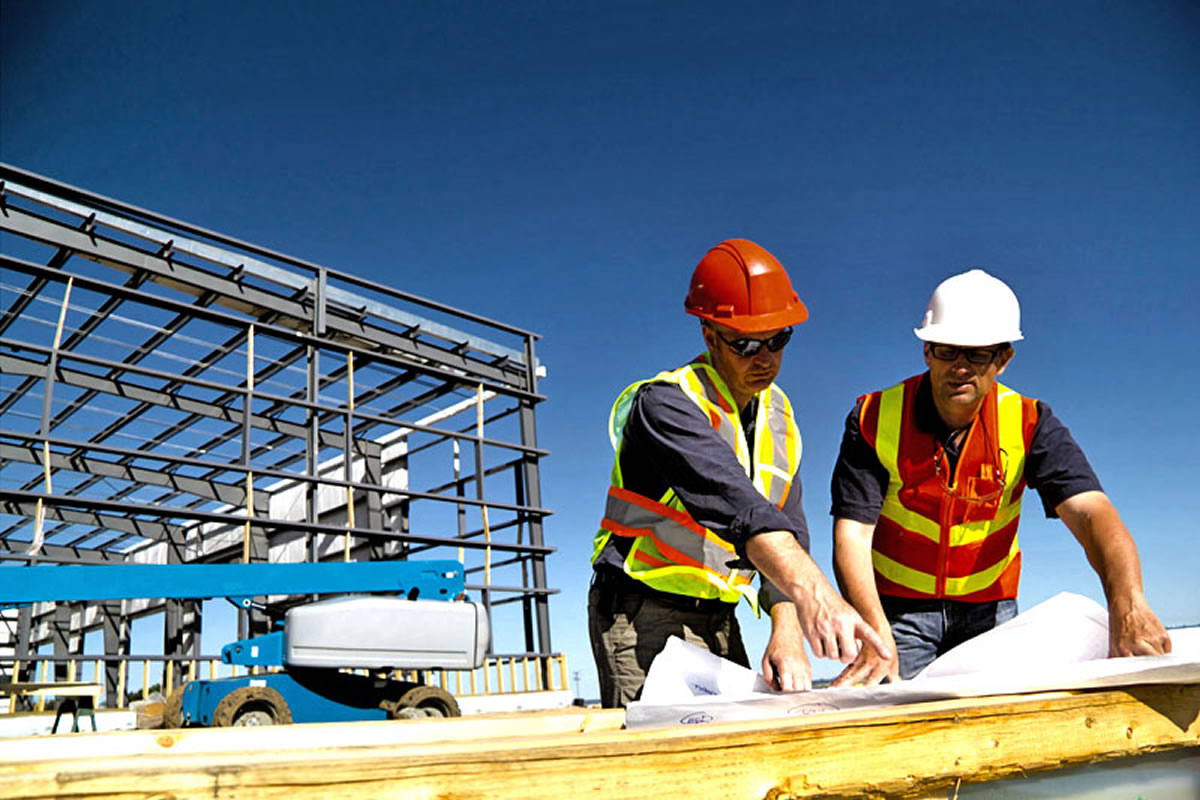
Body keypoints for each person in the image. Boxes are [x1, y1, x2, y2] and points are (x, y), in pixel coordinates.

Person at [830, 269, 1172, 685]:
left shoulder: (1030, 423)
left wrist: (1129, 603)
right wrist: (873, 628)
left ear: (1003, 360)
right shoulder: (872, 418)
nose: (959, 367)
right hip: (894, 612)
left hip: (989, 612)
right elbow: (852, 535)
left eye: (976, 354)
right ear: (926, 351)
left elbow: (1091, 513)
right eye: (946, 350)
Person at [588, 238, 887, 708]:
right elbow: (741, 508)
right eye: (745, 343)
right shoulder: (666, 404)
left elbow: (787, 524)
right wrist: (818, 597)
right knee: (660, 764)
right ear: (709, 335)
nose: (764, 357)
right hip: (639, 609)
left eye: (778, 339)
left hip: (719, 615)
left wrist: (786, 626)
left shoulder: (779, 415)